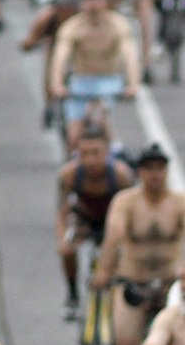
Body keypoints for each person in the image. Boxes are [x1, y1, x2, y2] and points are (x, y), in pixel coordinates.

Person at [98, 143, 185, 345]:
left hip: (171, 284)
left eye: (160, 168)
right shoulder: (125, 201)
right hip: (134, 282)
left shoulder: (182, 202)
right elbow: (114, 236)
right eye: (149, 169)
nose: (155, 174)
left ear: (167, 171)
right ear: (140, 172)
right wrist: (104, 271)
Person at [49, 0, 141, 149]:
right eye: (88, 1)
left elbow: (129, 55)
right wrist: (57, 84)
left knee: (101, 117)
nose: (92, 6)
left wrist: (133, 83)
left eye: (97, 0)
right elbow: (60, 58)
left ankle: (114, 149)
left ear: (104, 2)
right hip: (81, 83)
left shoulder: (118, 24)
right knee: (73, 137)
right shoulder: (72, 27)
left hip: (108, 81)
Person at [55, 126, 133, 319]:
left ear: (107, 154)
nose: (90, 160)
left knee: (121, 260)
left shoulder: (121, 176)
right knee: (66, 251)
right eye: (84, 154)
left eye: (96, 153)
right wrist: (63, 241)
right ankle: (72, 294)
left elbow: (133, 213)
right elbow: (62, 212)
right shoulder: (69, 175)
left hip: (114, 221)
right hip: (85, 220)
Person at [21, 0, 82, 132]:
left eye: (70, 9)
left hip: (79, 49)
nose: (66, 13)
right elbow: (30, 39)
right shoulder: (47, 17)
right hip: (54, 47)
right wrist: (31, 43)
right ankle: (49, 105)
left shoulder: (82, 18)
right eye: (63, 9)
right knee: (51, 70)